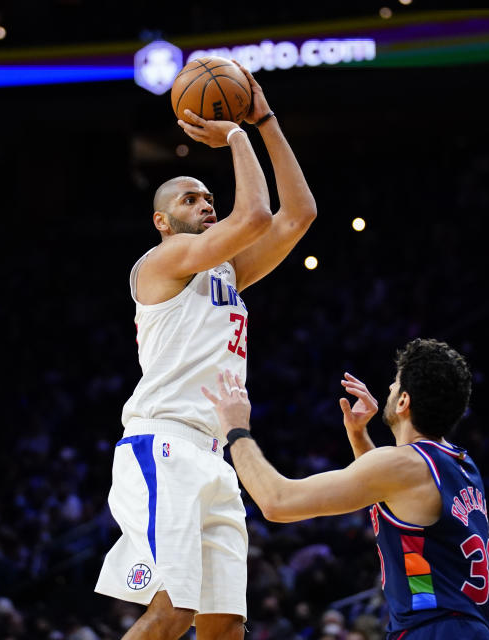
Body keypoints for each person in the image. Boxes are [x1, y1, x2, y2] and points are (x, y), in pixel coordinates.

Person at [94, 61, 317, 640]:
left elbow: (298, 215)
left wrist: (264, 117)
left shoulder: (227, 272)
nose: (205, 203)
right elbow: (256, 216)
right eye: (192, 199)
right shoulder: (159, 262)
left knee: (224, 628)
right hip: (162, 442)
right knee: (171, 614)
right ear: (162, 222)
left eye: (208, 196)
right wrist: (237, 135)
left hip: (217, 455)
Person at [202, 338, 489, 639]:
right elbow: (396, 496)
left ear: (404, 401)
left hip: (434, 629)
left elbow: (277, 501)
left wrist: (236, 428)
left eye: (395, 384)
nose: (390, 389)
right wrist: (357, 434)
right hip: (466, 627)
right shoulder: (460, 463)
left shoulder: (406, 466)